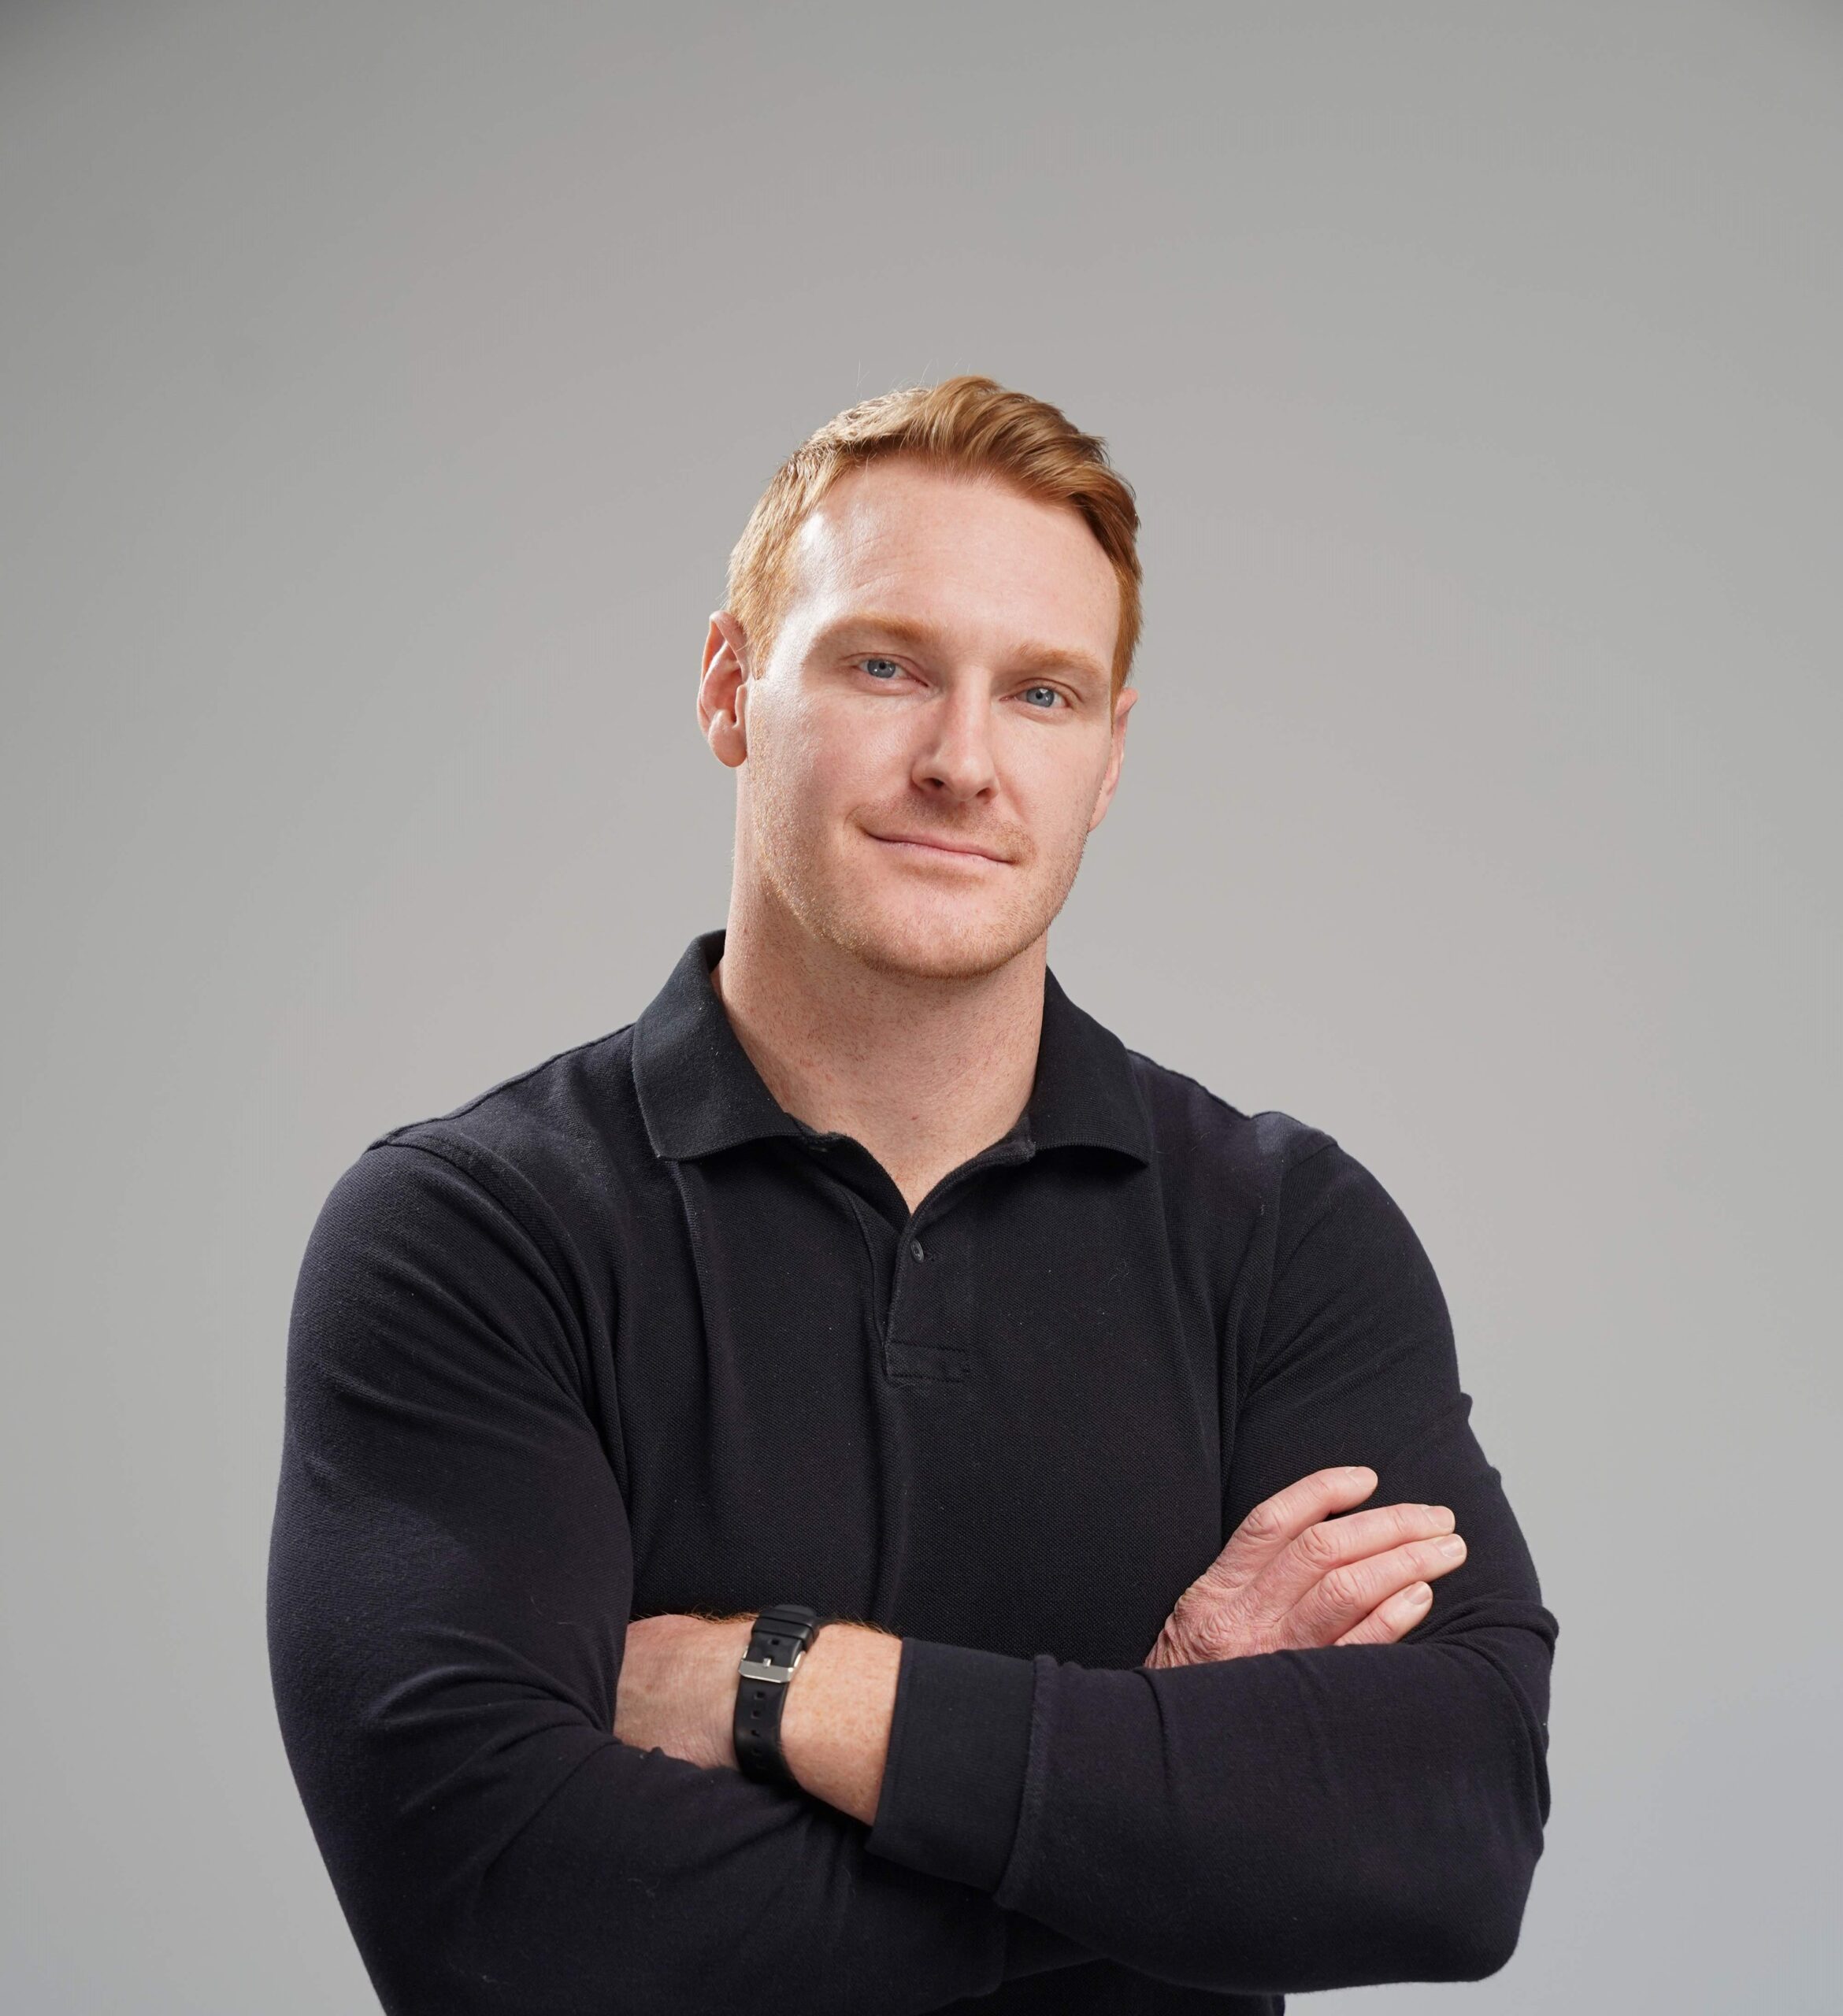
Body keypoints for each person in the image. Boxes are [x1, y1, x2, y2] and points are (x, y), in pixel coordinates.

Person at [267, 374, 1556, 2016]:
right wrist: (1164, 1772)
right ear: (733, 686)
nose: (964, 760)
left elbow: (1449, 1838)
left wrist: (791, 1685)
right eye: (887, 665)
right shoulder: (472, 1236)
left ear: (1109, 757)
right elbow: (506, 1924)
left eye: (1042, 692)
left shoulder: (1285, 1232)